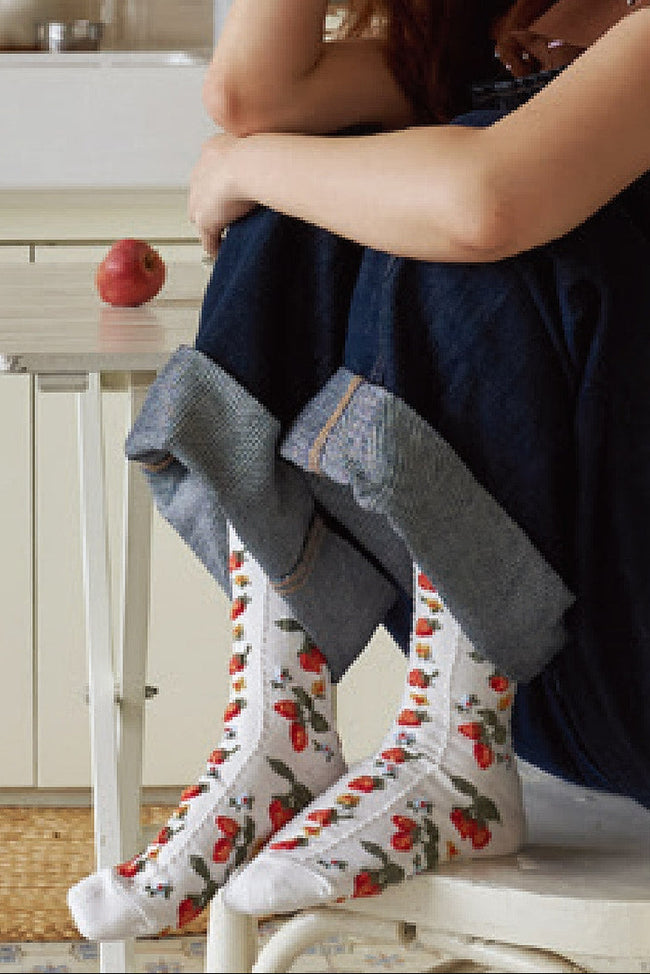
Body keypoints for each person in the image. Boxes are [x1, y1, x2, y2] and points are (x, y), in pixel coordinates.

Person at [68, 0, 650, 938]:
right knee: (304, 206)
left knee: (455, 202)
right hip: (550, 676)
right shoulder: (525, 32)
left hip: (629, 670)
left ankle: (456, 759)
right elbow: (254, 95)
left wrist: (238, 165)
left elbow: (485, 201)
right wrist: (255, 160)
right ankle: (282, 726)